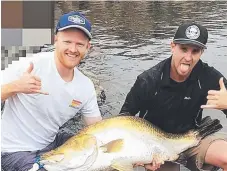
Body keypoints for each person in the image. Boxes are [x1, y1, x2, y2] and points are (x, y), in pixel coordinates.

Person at [1, 11, 102, 171]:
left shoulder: (86, 86)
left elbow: (98, 130)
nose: (73, 49)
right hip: (13, 150)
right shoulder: (30, 65)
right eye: (67, 41)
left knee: (100, 155)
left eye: (80, 44)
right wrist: (15, 86)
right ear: (56, 40)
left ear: (88, 47)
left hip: (51, 143)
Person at [120, 23, 227, 171]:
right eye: (183, 49)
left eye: (195, 51)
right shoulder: (148, 80)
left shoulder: (208, 77)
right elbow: (123, 119)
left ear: (201, 52)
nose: (188, 57)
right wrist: (141, 157)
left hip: (193, 138)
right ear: (172, 46)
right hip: (157, 146)